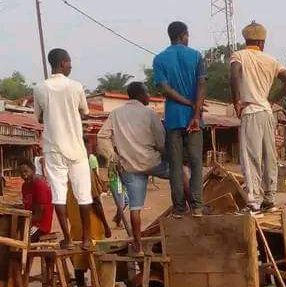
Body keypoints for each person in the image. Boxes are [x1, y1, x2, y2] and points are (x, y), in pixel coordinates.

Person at [230, 20, 286, 214]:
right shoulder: (271, 60)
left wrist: (236, 102)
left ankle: (253, 202)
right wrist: (271, 98)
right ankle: (270, 198)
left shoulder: (239, 55)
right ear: (261, 42)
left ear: (247, 40)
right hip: (267, 112)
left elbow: (233, 76)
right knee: (270, 156)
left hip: (250, 111)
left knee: (251, 158)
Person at [97, 82, 168, 255]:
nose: (149, 96)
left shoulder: (115, 114)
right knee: (182, 173)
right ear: (141, 94)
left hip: (129, 166)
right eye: (147, 93)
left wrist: (114, 157)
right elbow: (161, 141)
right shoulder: (150, 113)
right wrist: (166, 153)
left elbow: (102, 136)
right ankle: (185, 210)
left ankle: (137, 247)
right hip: (152, 162)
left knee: (135, 208)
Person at [33, 48, 93, 250]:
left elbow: (39, 117)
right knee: (83, 194)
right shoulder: (76, 87)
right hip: (76, 147)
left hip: (53, 148)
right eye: (69, 63)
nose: (71, 66)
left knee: (59, 194)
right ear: (63, 63)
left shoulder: (40, 88)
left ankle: (67, 239)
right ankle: (86, 238)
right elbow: (85, 112)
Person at [153, 21, 206, 218]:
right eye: (187, 34)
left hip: (173, 118)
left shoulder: (159, 59)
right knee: (195, 162)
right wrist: (195, 110)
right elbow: (202, 85)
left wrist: (186, 103)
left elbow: (165, 89)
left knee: (175, 165)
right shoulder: (196, 56)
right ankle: (198, 207)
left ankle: (179, 208)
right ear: (183, 35)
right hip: (194, 119)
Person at [67, 168, 109, 287]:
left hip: (75, 223)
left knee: (78, 257)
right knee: (96, 258)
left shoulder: (67, 174)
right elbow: (96, 202)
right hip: (91, 224)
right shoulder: (86, 172)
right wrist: (106, 225)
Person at [19, 160, 53, 243]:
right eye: (21, 172)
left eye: (26, 171)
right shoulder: (24, 186)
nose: (24, 174)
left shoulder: (39, 185)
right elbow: (26, 204)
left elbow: (39, 214)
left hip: (40, 224)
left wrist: (24, 219)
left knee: (26, 240)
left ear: (33, 170)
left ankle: (26, 255)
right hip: (30, 220)